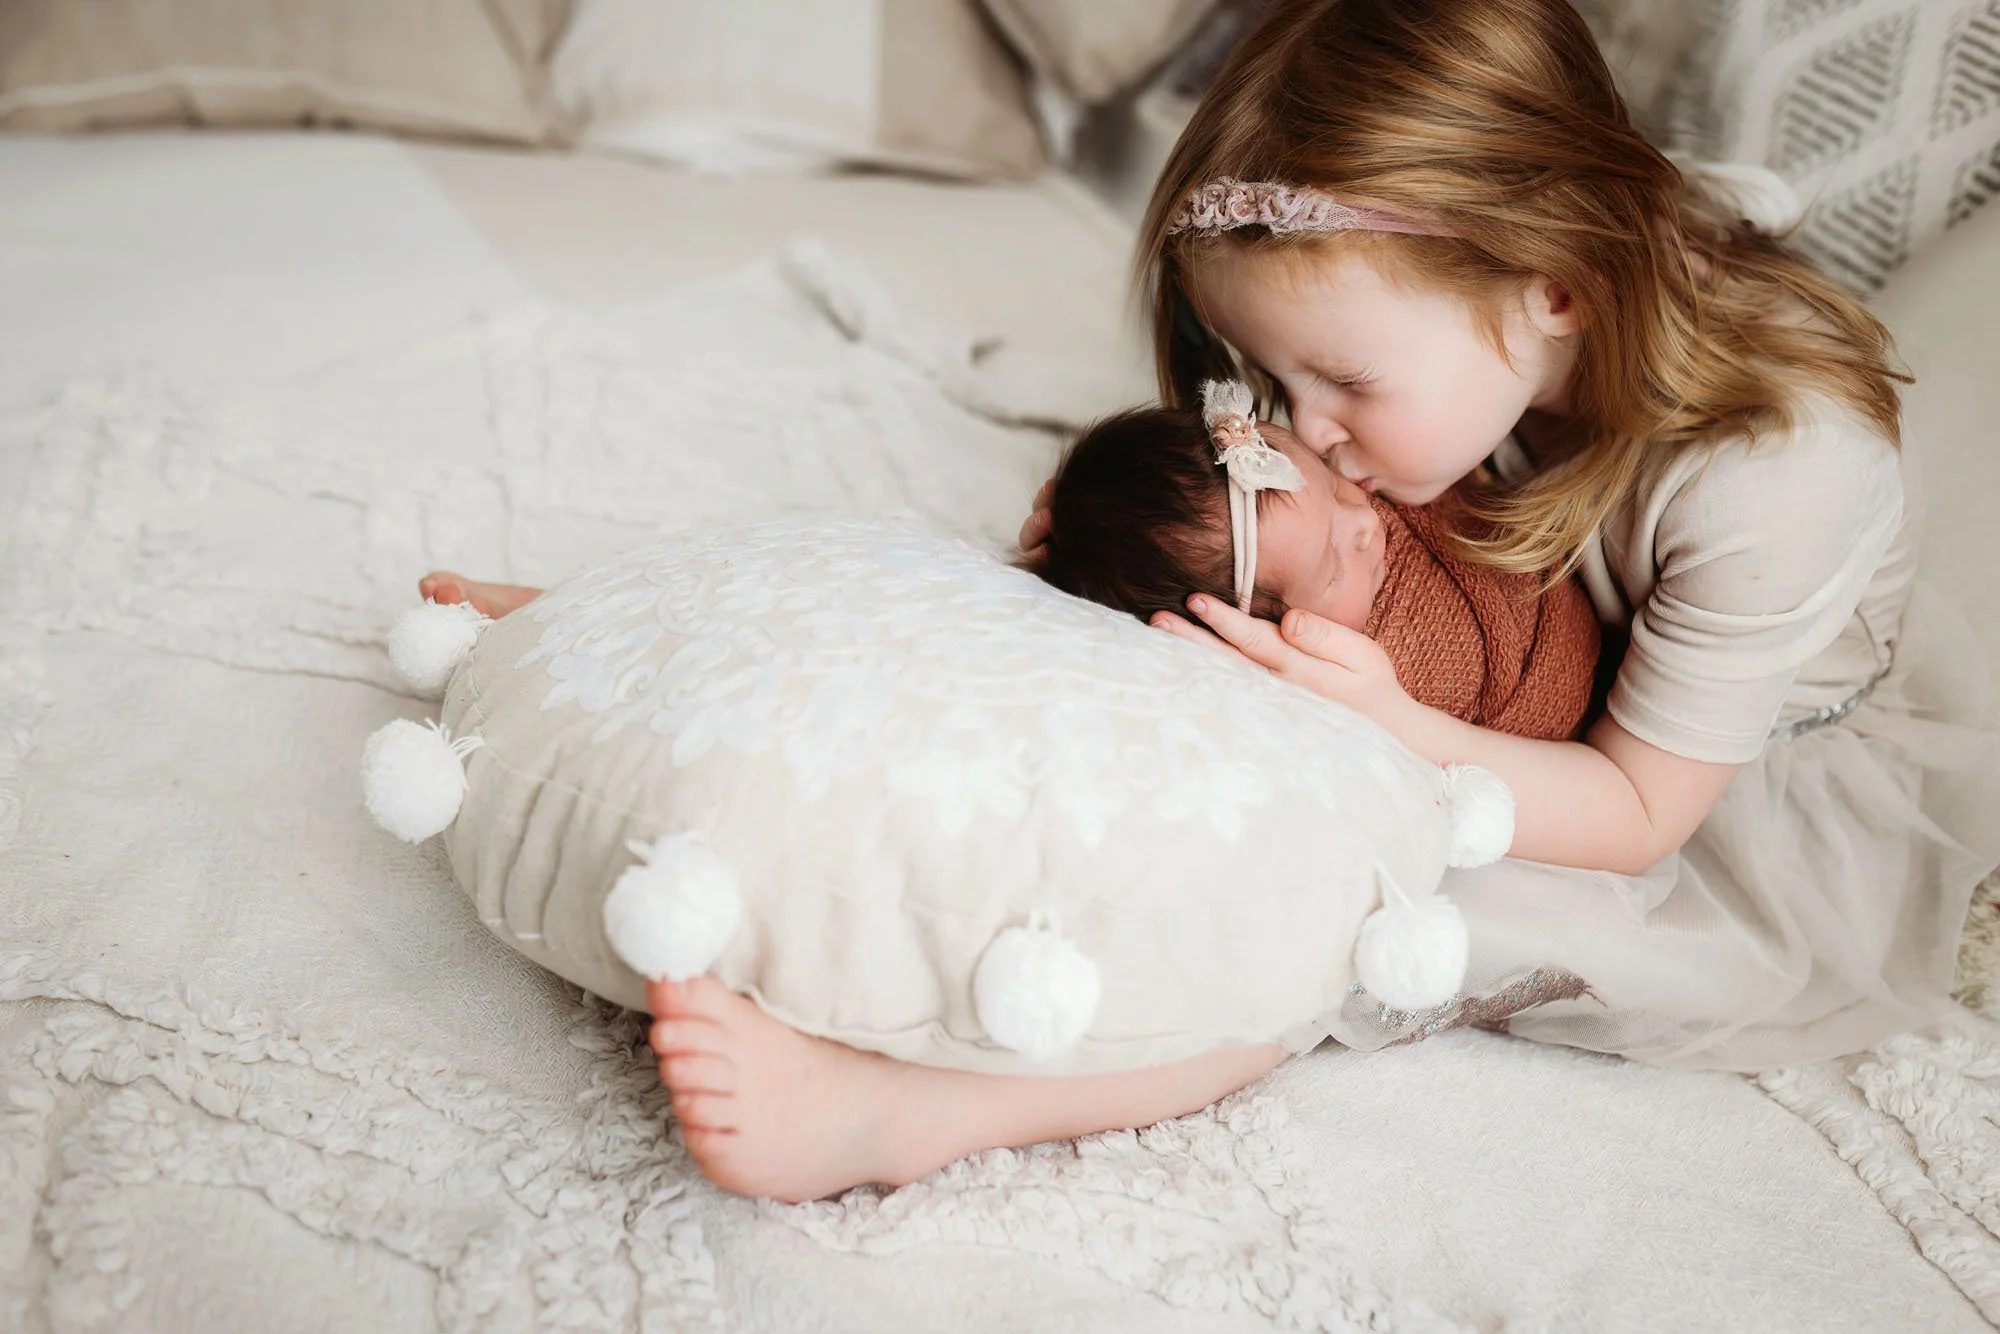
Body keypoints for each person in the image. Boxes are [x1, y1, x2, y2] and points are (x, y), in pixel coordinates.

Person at [435, 0, 2000, 1202]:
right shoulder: (1458, 348)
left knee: (1321, 909)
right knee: (1168, 608)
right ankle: (690, 627)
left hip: (1670, 794)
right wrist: (663, 611)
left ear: (1555, 292)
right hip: (1493, 642)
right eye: (1271, 375)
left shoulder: (1779, 474)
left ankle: (908, 1112)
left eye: (1339, 383)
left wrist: (1395, 730)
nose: (1297, 427)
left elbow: (1640, 807)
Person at [1034, 381, 1601, 741]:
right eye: (1332, 566)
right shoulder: (1375, 665)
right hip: (1559, 687)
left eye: (1336, 485)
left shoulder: (1331, 501)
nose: (1367, 523)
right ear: (1253, 634)